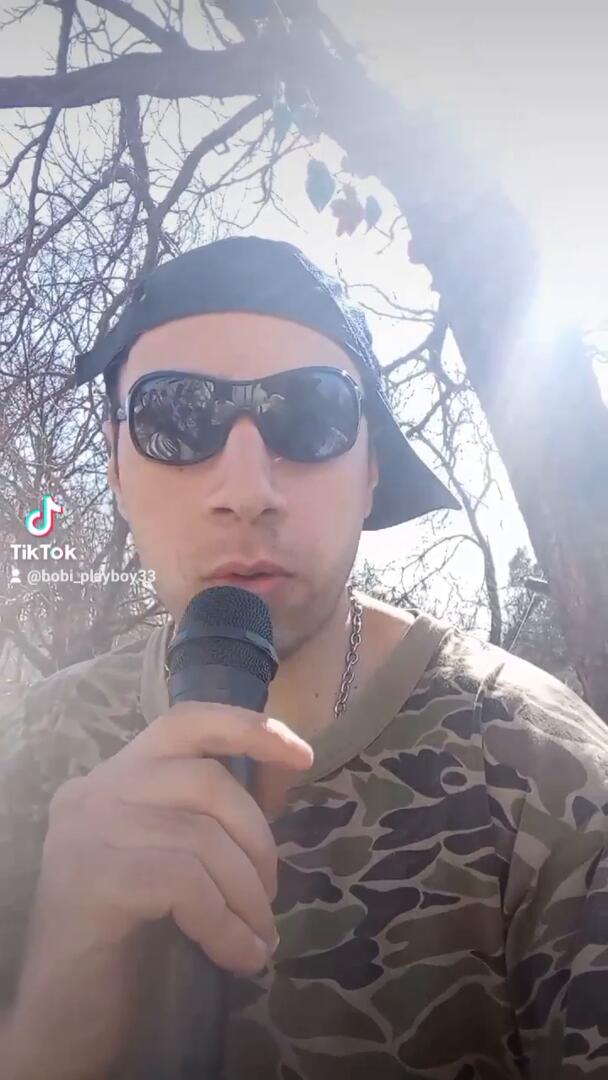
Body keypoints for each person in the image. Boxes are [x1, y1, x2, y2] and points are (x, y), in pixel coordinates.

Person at [1, 236, 607, 1080]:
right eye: (177, 419)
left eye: (311, 414)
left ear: (371, 471)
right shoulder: (31, 753)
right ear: (115, 466)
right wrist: (53, 1014)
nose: (247, 491)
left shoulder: (545, 774)